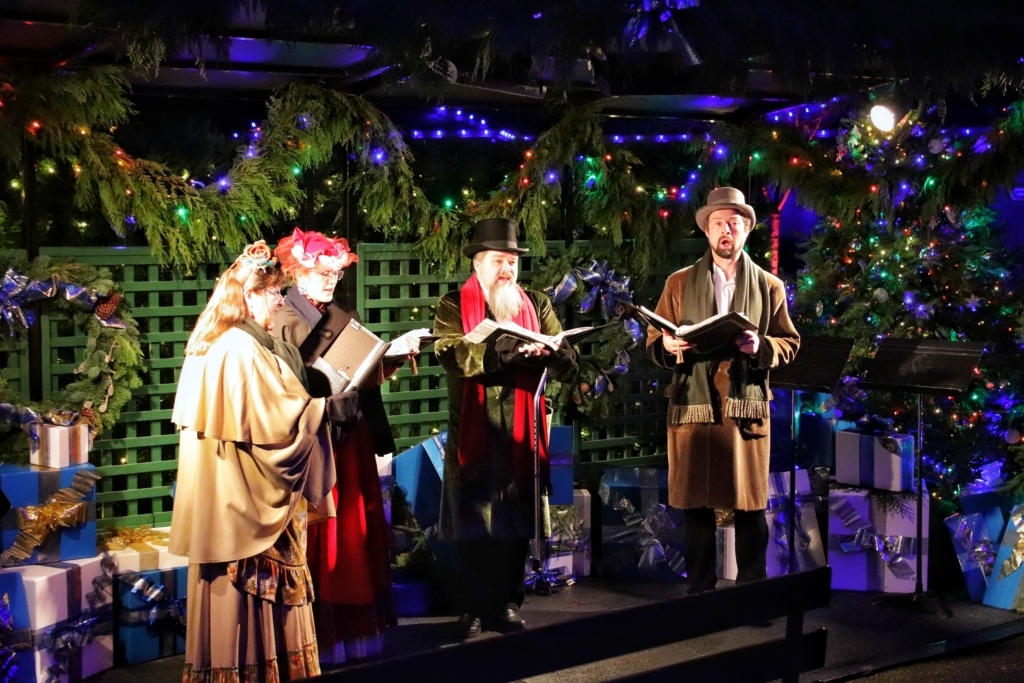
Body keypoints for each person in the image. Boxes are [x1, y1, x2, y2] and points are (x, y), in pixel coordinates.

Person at [170, 240, 342, 683]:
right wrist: (331, 403)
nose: (279, 302)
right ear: (248, 296)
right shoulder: (241, 349)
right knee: (258, 599)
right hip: (247, 506)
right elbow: (283, 424)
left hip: (223, 500)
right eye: (272, 294)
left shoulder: (209, 342)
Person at [645, 187, 800, 593]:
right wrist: (666, 343)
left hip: (743, 405)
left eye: (734, 222)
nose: (726, 230)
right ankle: (699, 592)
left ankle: (751, 593)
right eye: (718, 223)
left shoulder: (769, 286)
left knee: (749, 505)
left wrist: (761, 346)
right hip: (693, 404)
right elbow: (654, 335)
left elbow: (789, 341)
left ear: (747, 230)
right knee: (695, 504)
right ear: (708, 232)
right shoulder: (679, 283)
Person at [433, 218, 578, 639]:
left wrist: (555, 353)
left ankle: (508, 604)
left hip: (522, 429)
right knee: (473, 524)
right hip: (474, 431)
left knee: (515, 523)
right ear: (478, 264)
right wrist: (504, 352)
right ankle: (471, 607)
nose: (506, 271)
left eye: (512, 262)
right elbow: (450, 352)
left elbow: (562, 348)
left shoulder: (536, 303)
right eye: (498, 261)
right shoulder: (453, 305)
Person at [272, 228, 404, 664]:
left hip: (351, 436)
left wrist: (387, 360)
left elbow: (358, 373)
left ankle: (358, 631)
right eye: (319, 271)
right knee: (325, 537)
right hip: (316, 440)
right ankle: (320, 637)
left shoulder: (342, 313)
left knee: (354, 531)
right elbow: (286, 389)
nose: (329, 280)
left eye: (334, 272)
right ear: (297, 272)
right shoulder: (281, 320)